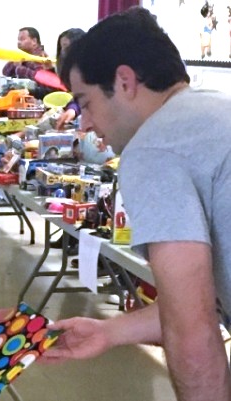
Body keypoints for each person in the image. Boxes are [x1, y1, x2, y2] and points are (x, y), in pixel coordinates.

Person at [44, 6, 231, 400]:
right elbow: (200, 302)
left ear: (124, 81)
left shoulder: (153, 148)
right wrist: (110, 330)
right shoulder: (215, 111)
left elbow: (192, 331)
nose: (84, 123)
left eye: (85, 101)